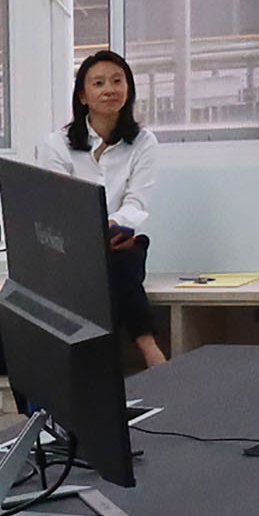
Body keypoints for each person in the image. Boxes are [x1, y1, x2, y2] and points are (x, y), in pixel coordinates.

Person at [43, 47, 168, 369]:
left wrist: (110, 227)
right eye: (98, 83)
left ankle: (100, 366)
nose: (110, 89)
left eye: (117, 81)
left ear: (129, 88)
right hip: (71, 248)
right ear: (83, 96)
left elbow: (137, 202)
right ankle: (148, 348)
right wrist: (90, 234)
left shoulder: (143, 142)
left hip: (119, 240)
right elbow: (58, 206)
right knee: (113, 270)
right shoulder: (57, 145)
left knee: (120, 260)